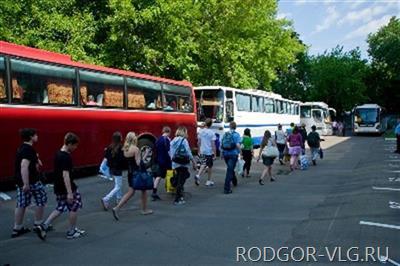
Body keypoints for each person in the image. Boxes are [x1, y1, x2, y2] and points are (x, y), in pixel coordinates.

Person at [38, 132, 83, 240]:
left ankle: (44, 225)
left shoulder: (58, 153)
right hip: (67, 187)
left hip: (58, 187)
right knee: (74, 207)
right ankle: (71, 231)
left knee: (60, 207)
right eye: (75, 145)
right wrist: (70, 193)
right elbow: (65, 175)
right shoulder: (66, 157)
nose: (76, 148)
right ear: (69, 144)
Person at [12, 128, 47, 239]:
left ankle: (17, 228)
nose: (37, 137)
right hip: (31, 181)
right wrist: (26, 183)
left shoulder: (22, 148)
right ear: (31, 137)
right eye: (35, 135)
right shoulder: (28, 150)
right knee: (41, 199)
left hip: (20, 181)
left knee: (21, 204)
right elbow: (24, 166)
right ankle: (38, 224)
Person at [112, 132, 153, 220]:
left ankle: (117, 208)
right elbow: (138, 163)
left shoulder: (124, 149)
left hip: (130, 173)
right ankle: (144, 210)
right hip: (137, 173)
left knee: (131, 192)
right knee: (144, 191)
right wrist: (145, 155)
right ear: (134, 139)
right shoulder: (135, 149)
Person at [170, 126, 197, 205]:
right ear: (184, 132)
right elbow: (188, 152)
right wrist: (194, 162)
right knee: (181, 180)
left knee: (179, 178)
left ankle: (179, 193)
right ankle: (177, 199)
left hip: (175, 163)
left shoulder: (173, 140)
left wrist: (172, 160)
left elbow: (170, 152)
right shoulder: (184, 140)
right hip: (183, 163)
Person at [101, 132, 125, 210]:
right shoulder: (121, 148)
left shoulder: (109, 147)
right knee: (118, 186)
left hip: (112, 169)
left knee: (117, 184)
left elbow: (106, 158)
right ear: (120, 139)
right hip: (118, 169)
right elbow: (122, 159)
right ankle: (106, 199)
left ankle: (119, 198)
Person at [151, 126, 172, 201]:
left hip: (158, 160)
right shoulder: (166, 140)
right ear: (168, 132)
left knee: (157, 176)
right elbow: (169, 151)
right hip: (165, 161)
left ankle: (154, 191)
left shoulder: (158, 139)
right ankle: (168, 188)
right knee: (163, 175)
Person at [221, 122, 241, 194]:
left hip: (226, 154)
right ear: (235, 127)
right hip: (233, 154)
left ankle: (234, 181)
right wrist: (240, 153)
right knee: (229, 170)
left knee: (230, 168)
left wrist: (221, 154)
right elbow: (238, 145)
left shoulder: (225, 134)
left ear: (229, 126)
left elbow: (222, 144)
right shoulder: (236, 135)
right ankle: (227, 188)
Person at [195, 118, 216, 186]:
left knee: (203, 163)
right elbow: (213, 144)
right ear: (211, 124)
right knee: (209, 166)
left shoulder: (200, 131)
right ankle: (208, 180)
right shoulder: (212, 133)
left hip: (202, 150)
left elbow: (198, 142)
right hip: (209, 151)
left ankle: (198, 175)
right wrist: (215, 154)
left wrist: (198, 150)